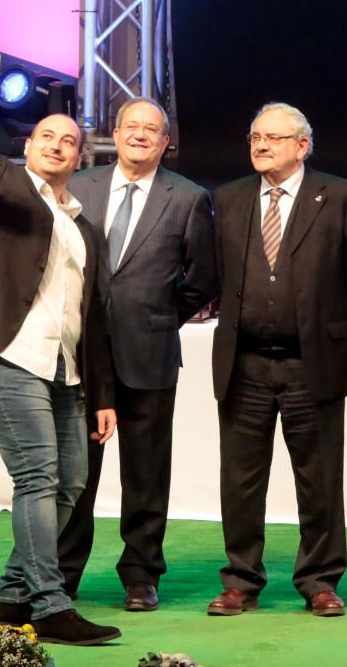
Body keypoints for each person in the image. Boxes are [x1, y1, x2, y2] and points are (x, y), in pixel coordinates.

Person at [0, 56, 121, 645]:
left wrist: (102, 395)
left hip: (62, 370)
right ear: (29, 145)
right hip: (3, 355)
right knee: (37, 476)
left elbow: (92, 321)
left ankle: (10, 598)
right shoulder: (2, 184)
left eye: (70, 141)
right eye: (48, 136)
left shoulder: (83, 226)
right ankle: (48, 603)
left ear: (80, 156)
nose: (59, 145)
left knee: (71, 484)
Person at [207, 102, 347, 618]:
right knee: (240, 481)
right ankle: (240, 581)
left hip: (313, 364)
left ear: (303, 146)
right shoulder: (228, 199)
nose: (260, 145)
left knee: (320, 480)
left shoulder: (341, 196)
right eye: (255, 136)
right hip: (245, 364)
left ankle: (320, 581)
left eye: (274, 138)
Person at [56, 97, 217, 611]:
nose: (141, 135)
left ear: (165, 142)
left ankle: (141, 574)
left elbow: (203, 278)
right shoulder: (79, 186)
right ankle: (62, 573)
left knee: (146, 473)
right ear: (115, 133)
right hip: (81, 353)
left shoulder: (188, 198)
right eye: (132, 127)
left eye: (153, 130)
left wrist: (160, 311)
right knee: (76, 470)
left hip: (149, 351)